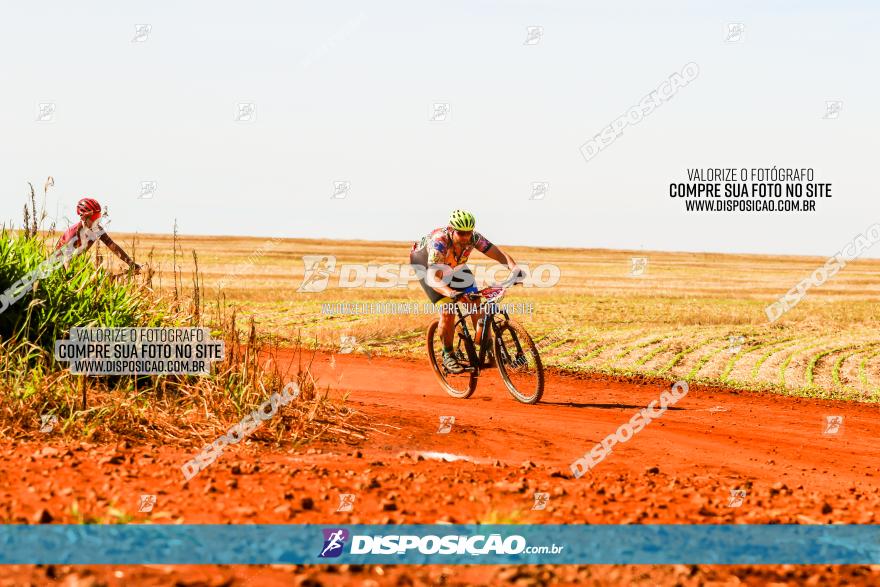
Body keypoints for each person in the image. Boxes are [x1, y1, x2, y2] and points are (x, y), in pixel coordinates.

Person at [409, 209, 522, 374]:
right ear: (452, 230)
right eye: (461, 233)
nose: (465, 237)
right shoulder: (440, 242)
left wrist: (514, 268)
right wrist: (451, 293)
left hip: (455, 266)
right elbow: (434, 278)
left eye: (468, 233)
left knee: (475, 302)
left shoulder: (474, 237)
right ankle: (448, 355)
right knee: (448, 311)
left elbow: (498, 254)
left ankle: (488, 350)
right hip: (427, 266)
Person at [56, 197, 141, 272]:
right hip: (58, 267)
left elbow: (112, 245)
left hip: (75, 265)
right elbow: (65, 260)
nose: (97, 221)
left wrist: (131, 263)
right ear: (83, 217)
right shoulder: (72, 234)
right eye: (94, 218)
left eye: (98, 217)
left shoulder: (96, 229)